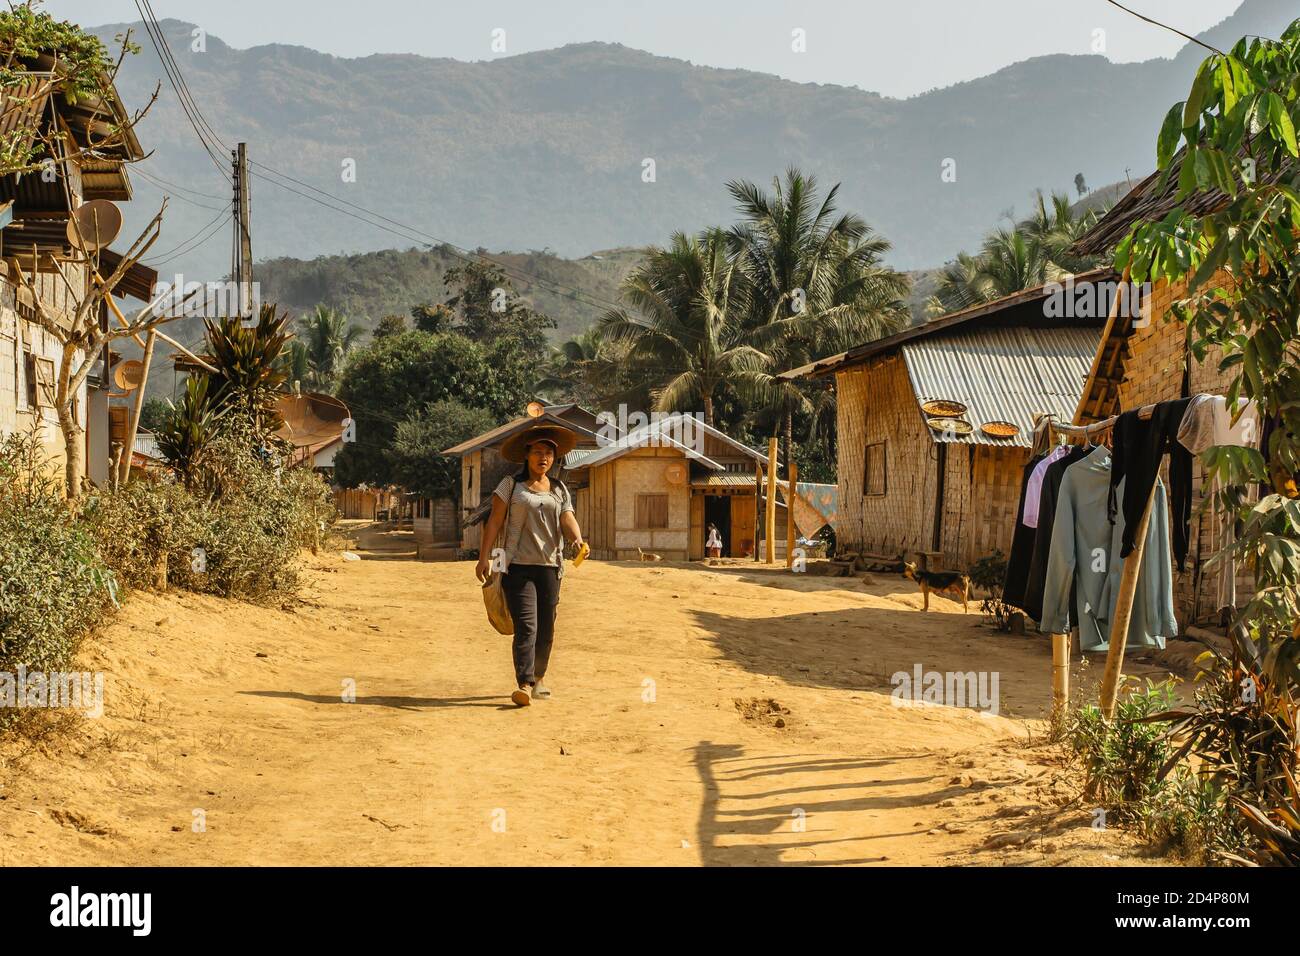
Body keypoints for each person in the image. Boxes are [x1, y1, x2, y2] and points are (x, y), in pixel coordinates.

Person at [475, 424, 584, 707]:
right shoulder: (510, 485)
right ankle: (524, 683)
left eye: (548, 453)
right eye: (537, 452)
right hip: (517, 566)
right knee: (527, 626)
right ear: (527, 456)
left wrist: (578, 539)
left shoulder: (559, 489)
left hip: (550, 567)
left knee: (547, 628)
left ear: (554, 458)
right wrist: (484, 557)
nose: (543, 458)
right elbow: (495, 521)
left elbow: (567, 518)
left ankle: (539, 677)